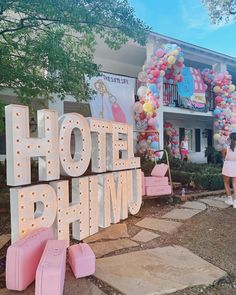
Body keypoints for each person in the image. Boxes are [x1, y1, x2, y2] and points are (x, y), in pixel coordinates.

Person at [222, 132, 236, 208]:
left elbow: (223, 156)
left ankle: (229, 199)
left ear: (230, 138)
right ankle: (235, 202)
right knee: (235, 184)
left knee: (226, 183)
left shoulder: (226, 147)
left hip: (227, 165)